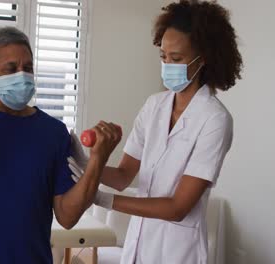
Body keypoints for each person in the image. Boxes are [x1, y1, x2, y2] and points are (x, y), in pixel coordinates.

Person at [0, 26, 120, 263]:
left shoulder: (53, 132)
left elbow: (67, 217)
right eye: (11, 69)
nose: (22, 75)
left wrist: (97, 160)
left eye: (27, 68)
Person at [69, 1, 242, 263]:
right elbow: (124, 177)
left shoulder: (215, 120)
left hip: (177, 252)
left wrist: (102, 200)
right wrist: (88, 160)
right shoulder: (154, 106)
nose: (167, 65)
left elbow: (177, 208)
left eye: (176, 58)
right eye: (163, 57)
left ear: (203, 58)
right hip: (137, 246)